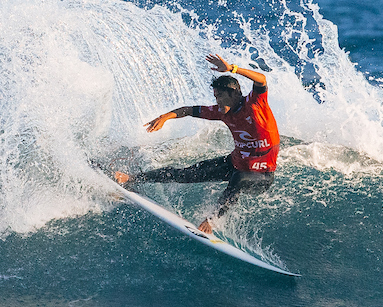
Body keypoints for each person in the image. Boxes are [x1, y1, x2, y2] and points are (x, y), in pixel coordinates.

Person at [114, 53, 280, 234]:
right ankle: (133, 178)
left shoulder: (255, 104)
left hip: (261, 176)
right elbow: (189, 110)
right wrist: (165, 117)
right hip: (234, 164)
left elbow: (261, 80)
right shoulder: (221, 112)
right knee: (186, 173)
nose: (217, 100)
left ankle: (212, 220)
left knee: (238, 179)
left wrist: (232, 69)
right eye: (215, 96)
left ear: (234, 93)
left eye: (220, 96)